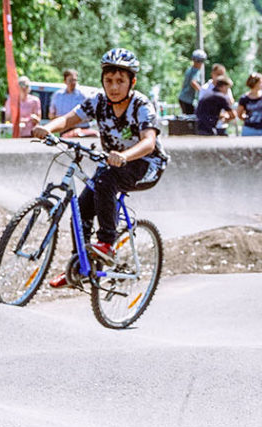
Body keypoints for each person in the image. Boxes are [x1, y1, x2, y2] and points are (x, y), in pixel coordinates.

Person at [32, 48, 168, 289]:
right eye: (109, 81)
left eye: (120, 81)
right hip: (112, 164)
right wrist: (48, 128)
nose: (114, 87)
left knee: (105, 180)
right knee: (81, 208)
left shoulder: (141, 105)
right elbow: (70, 118)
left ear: (132, 82)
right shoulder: (99, 102)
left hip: (147, 164)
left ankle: (106, 242)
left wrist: (124, 156)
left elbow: (149, 142)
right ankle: (81, 265)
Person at [194, 71, 236, 136]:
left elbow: (208, 112)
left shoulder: (207, 95)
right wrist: (226, 119)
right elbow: (232, 115)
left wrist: (221, 116)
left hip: (198, 127)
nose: (227, 91)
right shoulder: (221, 97)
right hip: (209, 128)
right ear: (223, 86)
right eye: (227, 88)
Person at [237, 72, 262, 137]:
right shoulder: (244, 98)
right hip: (249, 129)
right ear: (256, 83)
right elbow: (239, 114)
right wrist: (248, 119)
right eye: (261, 82)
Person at [177, 49, 208, 115]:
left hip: (182, 98)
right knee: (190, 120)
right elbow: (193, 82)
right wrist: (202, 91)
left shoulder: (189, 69)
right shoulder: (196, 71)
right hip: (187, 100)